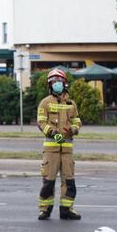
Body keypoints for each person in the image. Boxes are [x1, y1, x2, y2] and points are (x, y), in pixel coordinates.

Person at [36, 68, 82, 220]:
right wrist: (52, 132)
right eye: (54, 82)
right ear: (50, 85)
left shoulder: (71, 104)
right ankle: (45, 210)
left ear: (64, 84)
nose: (57, 84)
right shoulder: (45, 103)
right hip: (51, 150)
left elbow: (77, 121)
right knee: (48, 182)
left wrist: (73, 129)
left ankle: (66, 209)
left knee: (69, 182)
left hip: (67, 150)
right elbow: (41, 122)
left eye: (59, 81)